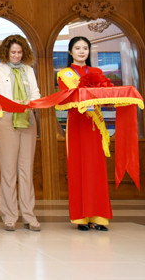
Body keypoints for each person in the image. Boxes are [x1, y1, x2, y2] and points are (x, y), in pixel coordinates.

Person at [0, 35, 41, 232]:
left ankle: (29, 215)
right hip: (5, 119)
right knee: (8, 170)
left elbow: (35, 94)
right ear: (6, 52)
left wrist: (29, 103)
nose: (16, 56)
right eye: (13, 52)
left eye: (19, 52)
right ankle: (9, 216)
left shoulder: (28, 70)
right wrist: (11, 104)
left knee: (26, 170)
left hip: (27, 118)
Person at [57, 36, 111, 231]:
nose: (82, 51)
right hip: (77, 124)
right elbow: (67, 99)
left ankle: (99, 217)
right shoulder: (64, 74)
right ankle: (81, 218)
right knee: (78, 167)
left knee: (96, 168)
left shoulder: (97, 72)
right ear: (70, 51)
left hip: (94, 124)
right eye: (78, 48)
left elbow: (104, 97)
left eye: (85, 48)